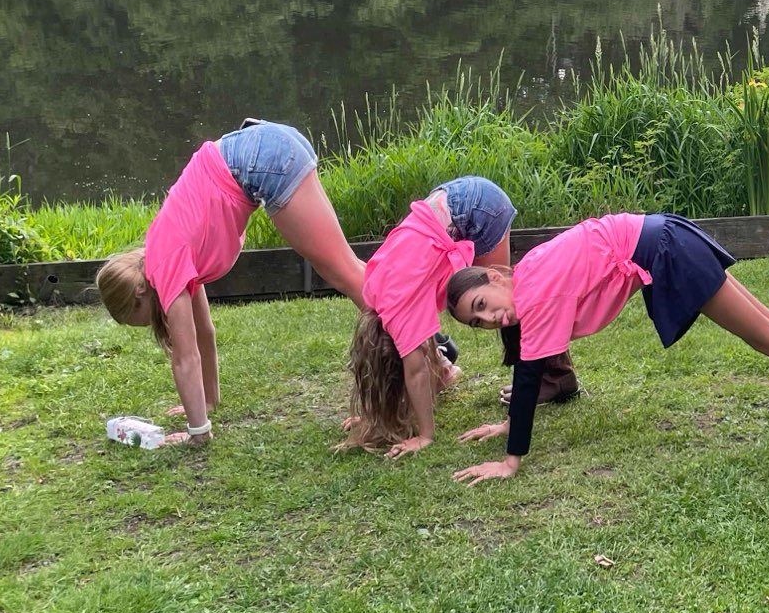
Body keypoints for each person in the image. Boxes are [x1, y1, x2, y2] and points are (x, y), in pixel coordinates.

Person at [444, 212, 769, 484]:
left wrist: (510, 460)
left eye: (482, 305)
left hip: (666, 250)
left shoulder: (536, 296)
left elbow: (530, 372)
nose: (488, 319)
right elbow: (528, 371)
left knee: (765, 336)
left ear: (496, 279)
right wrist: (507, 424)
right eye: (476, 323)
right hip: (664, 232)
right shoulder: (529, 271)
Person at [96, 120, 363, 446]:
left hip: (264, 161)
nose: (139, 326)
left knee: (344, 274)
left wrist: (198, 434)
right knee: (351, 270)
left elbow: (185, 357)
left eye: (131, 319)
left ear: (139, 293)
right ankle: (430, 357)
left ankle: (422, 359)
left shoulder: (162, 268)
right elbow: (204, 332)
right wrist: (207, 402)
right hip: (269, 148)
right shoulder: (165, 253)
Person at [336, 176, 582, 456]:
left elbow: (415, 372)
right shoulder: (377, 295)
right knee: (504, 306)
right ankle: (554, 376)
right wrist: (375, 412)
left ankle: (558, 378)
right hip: (456, 199)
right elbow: (409, 363)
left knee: (511, 308)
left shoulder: (400, 311)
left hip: (475, 212)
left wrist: (426, 435)